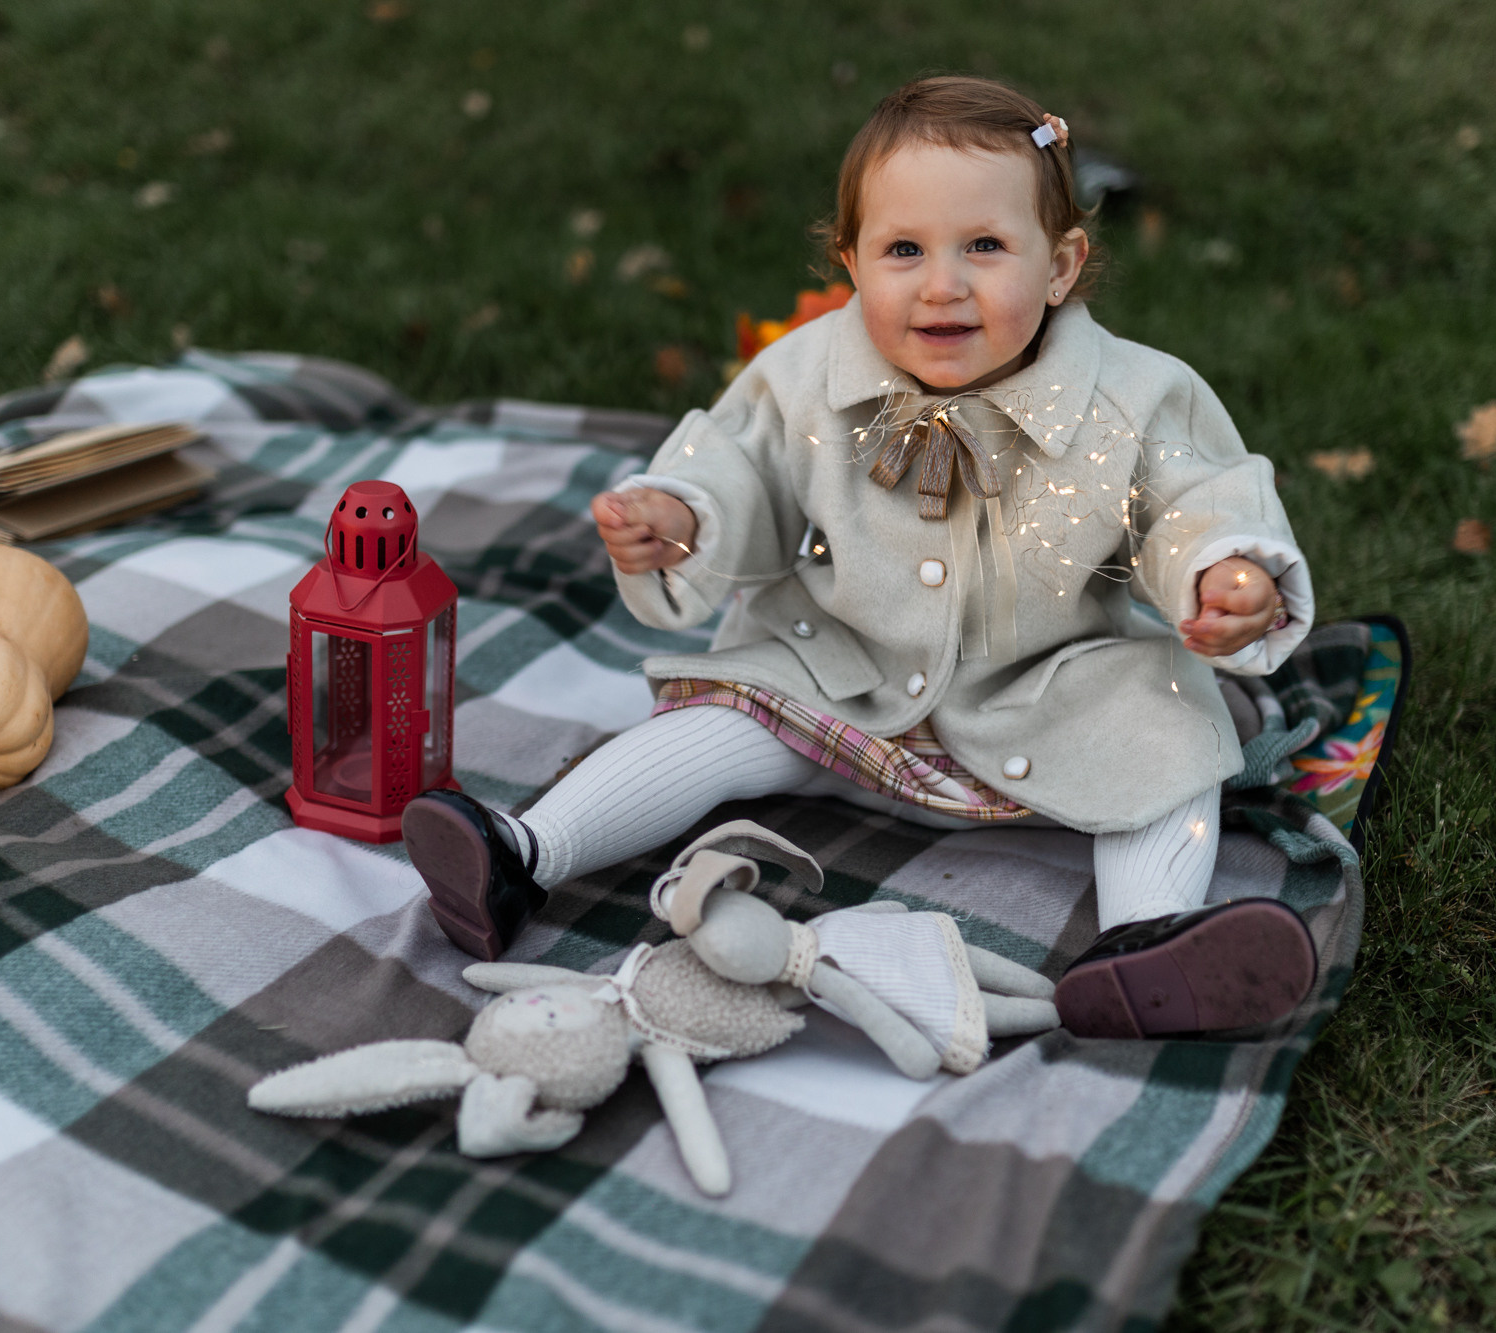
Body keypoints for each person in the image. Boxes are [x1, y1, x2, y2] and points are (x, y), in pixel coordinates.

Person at [402, 76, 1320, 1039]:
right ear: (851, 261)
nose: (942, 283)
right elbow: (740, 467)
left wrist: (1226, 571)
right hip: (842, 677)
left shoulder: (1134, 397)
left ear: (1061, 264)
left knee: (1172, 739)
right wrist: (682, 514)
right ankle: (523, 856)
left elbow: (1192, 497)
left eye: (986, 247)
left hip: (1050, 688)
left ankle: (1148, 949)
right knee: (716, 720)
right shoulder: (808, 374)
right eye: (904, 250)